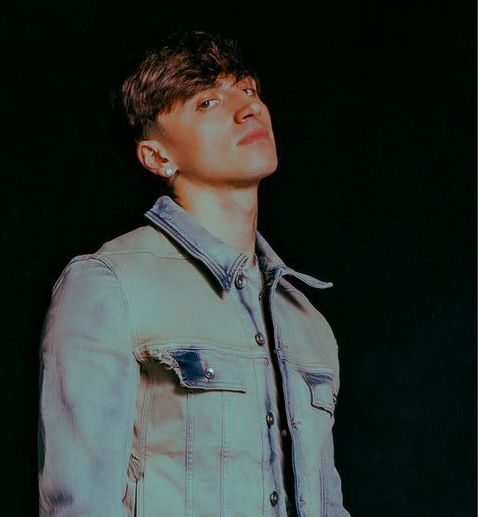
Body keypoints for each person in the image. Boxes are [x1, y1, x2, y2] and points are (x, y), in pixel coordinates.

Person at [38, 30, 351, 517]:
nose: (249, 108)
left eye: (247, 89)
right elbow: (81, 505)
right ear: (158, 156)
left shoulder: (304, 317)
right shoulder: (109, 284)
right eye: (207, 102)